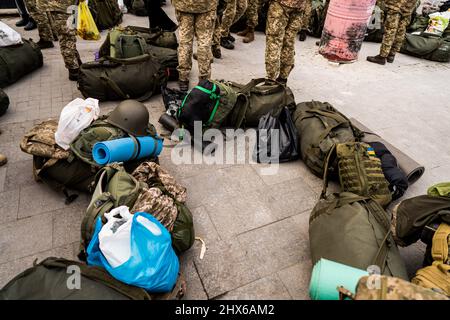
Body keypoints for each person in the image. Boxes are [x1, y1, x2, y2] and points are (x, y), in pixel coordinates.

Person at [172, 0, 218, 91]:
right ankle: (204, 80)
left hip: (184, 5)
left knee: (185, 42)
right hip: (207, 6)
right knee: (204, 44)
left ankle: (183, 79)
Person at [36, 0, 82, 81]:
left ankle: (75, 61)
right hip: (59, 6)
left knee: (70, 36)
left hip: (68, 5)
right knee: (66, 37)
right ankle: (73, 69)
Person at [265, 0, 308, 84]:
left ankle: (271, 80)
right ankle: (283, 79)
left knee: (274, 41)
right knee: (289, 42)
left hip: (280, 5)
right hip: (299, 6)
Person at [367, 0, 417, 65]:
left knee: (390, 29)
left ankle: (382, 56)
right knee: (401, 29)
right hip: (409, 5)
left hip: (396, 4)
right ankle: (391, 55)